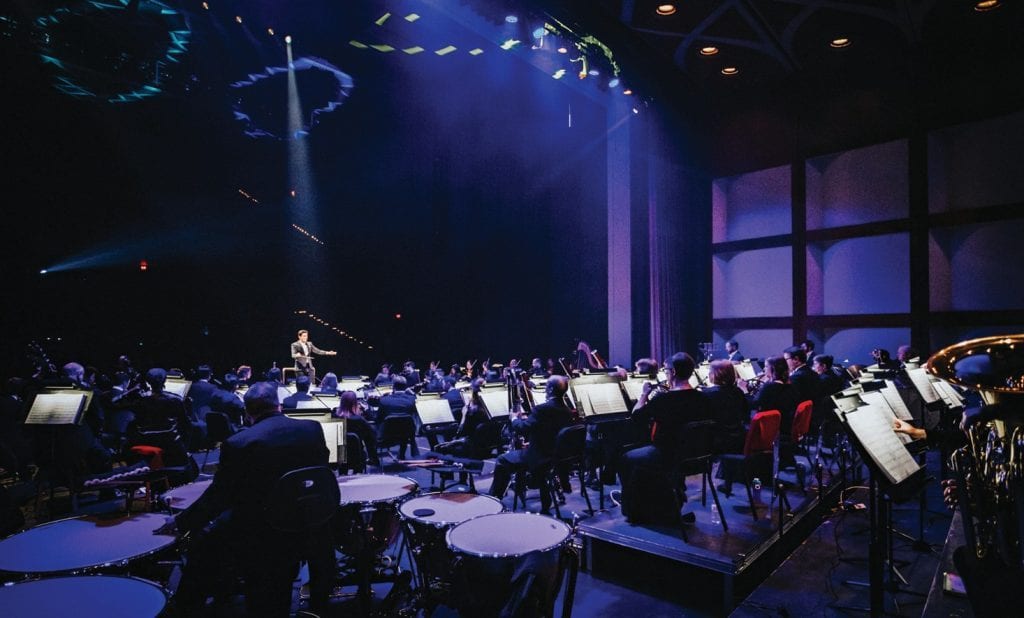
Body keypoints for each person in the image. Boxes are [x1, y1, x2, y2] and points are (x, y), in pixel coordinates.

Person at [154, 381, 331, 617]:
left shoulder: (239, 444)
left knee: (205, 540)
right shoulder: (312, 429)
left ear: (248, 413)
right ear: (278, 405)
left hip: (262, 530)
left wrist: (181, 523)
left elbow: (218, 498)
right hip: (309, 520)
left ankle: (189, 606)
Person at [616, 353, 714, 524]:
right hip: (698, 457)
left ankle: (634, 509)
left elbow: (637, 416)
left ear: (673, 372)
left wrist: (644, 395)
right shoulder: (703, 398)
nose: (666, 374)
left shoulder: (664, 399)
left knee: (626, 458)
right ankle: (667, 500)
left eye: (666, 370)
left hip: (669, 456)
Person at [489, 375, 575, 514]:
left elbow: (522, 428)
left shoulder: (541, 409)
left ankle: (494, 499)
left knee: (502, 460)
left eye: (547, 386)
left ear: (551, 389)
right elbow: (549, 431)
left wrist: (515, 419)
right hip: (555, 456)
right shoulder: (567, 411)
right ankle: (544, 499)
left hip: (539, 457)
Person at [703, 360, 747, 454]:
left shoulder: (708, 394)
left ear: (714, 375)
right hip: (738, 438)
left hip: (718, 441)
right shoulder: (738, 392)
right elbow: (745, 414)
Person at [335, 390, 378, 469]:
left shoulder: (334, 418)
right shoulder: (359, 420)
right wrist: (367, 411)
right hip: (358, 456)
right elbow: (373, 435)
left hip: (339, 457)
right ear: (355, 403)